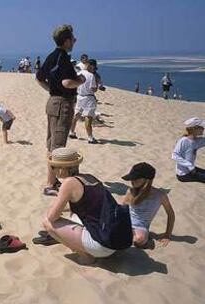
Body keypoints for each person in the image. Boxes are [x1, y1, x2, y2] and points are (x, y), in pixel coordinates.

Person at [38, 148, 132, 264]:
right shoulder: (90, 178)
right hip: (114, 240)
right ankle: (81, 243)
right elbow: (87, 204)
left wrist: (51, 209)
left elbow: (52, 217)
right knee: (73, 213)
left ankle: (86, 256)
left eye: (53, 167)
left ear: (62, 170)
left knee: (48, 223)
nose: (52, 170)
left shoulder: (69, 183)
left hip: (101, 246)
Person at [36, 24, 86, 196]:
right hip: (62, 105)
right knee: (57, 147)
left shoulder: (52, 56)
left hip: (53, 103)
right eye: (72, 38)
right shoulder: (63, 57)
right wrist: (80, 80)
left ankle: (52, 180)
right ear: (66, 41)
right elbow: (67, 82)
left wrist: (52, 90)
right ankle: (50, 184)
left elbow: (39, 78)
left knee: (52, 144)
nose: (75, 40)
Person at [121, 162, 175, 248]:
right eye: (131, 179)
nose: (132, 181)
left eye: (136, 179)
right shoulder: (131, 191)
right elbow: (122, 209)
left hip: (140, 226)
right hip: (126, 222)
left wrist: (167, 235)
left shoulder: (160, 195)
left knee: (139, 240)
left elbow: (171, 214)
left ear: (147, 180)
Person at [69, 59, 99, 144]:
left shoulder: (78, 73)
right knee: (88, 117)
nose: (94, 69)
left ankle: (71, 132)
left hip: (79, 96)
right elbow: (93, 89)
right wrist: (96, 86)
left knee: (76, 115)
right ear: (91, 66)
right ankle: (90, 137)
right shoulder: (91, 75)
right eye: (94, 67)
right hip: (89, 98)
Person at [172, 117, 205, 183]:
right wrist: (190, 166)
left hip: (191, 170)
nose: (203, 129)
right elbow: (174, 156)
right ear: (194, 129)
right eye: (201, 127)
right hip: (183, 175)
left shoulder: (197, 140)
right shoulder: (184, 141)